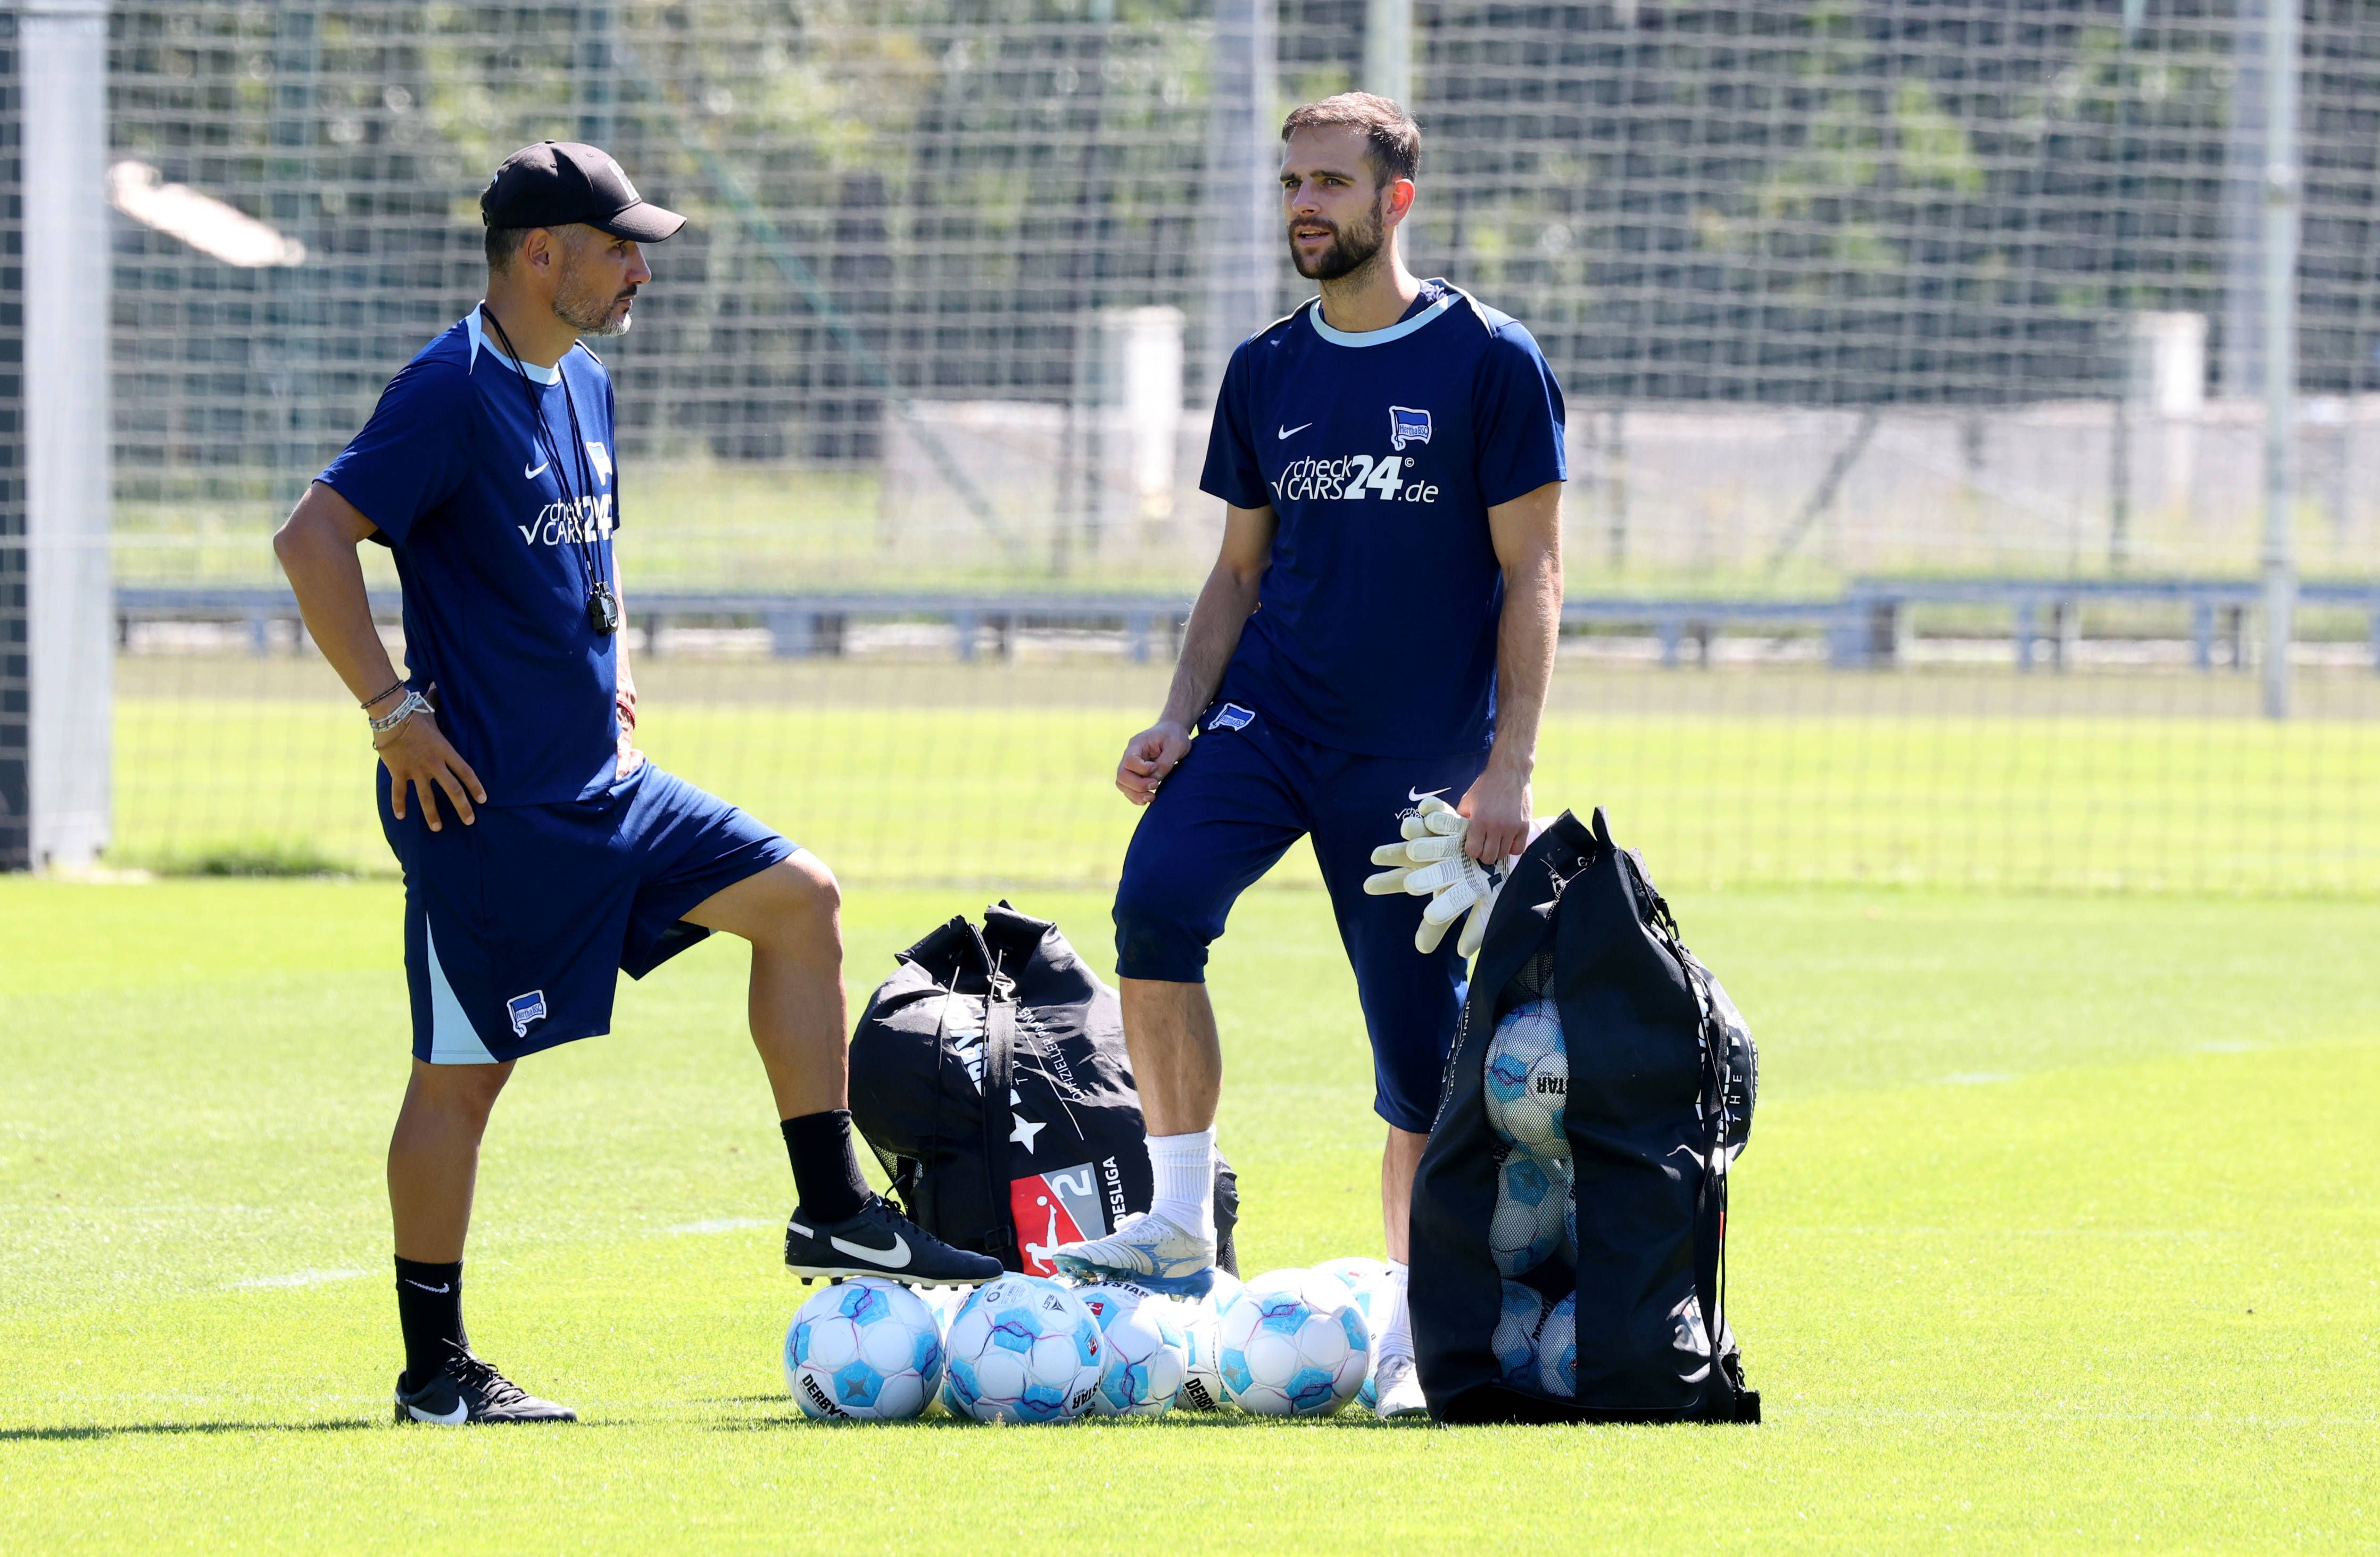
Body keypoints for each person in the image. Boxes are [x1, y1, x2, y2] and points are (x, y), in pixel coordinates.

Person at [272, 141, 998, 1427]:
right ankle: (435, 1373)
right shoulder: (447, 390)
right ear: (538, 254)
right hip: (490, 817)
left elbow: (585, 560)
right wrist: (393, 712)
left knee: (800, 899)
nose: (640, 269)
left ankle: (833, 1210)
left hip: (614, 787)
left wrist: (614, 665)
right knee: (462, 1076)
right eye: (618, 246)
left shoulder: (585, 379)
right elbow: (311, 534)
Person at [1047, 94, 1566, 1420]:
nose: (1303, 204)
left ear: (1395, 200)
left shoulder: (1490, 361)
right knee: (1154, 901)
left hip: (1414, 762)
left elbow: (1534, 573)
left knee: (1414, 1050)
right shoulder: (1265, 368)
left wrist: (1505, 770)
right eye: (1291, 182)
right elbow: (1234, 572)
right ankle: (1174, 1217)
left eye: (1329, 182)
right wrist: (1177, 711)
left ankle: (1410, 1329)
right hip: (1266, 722)